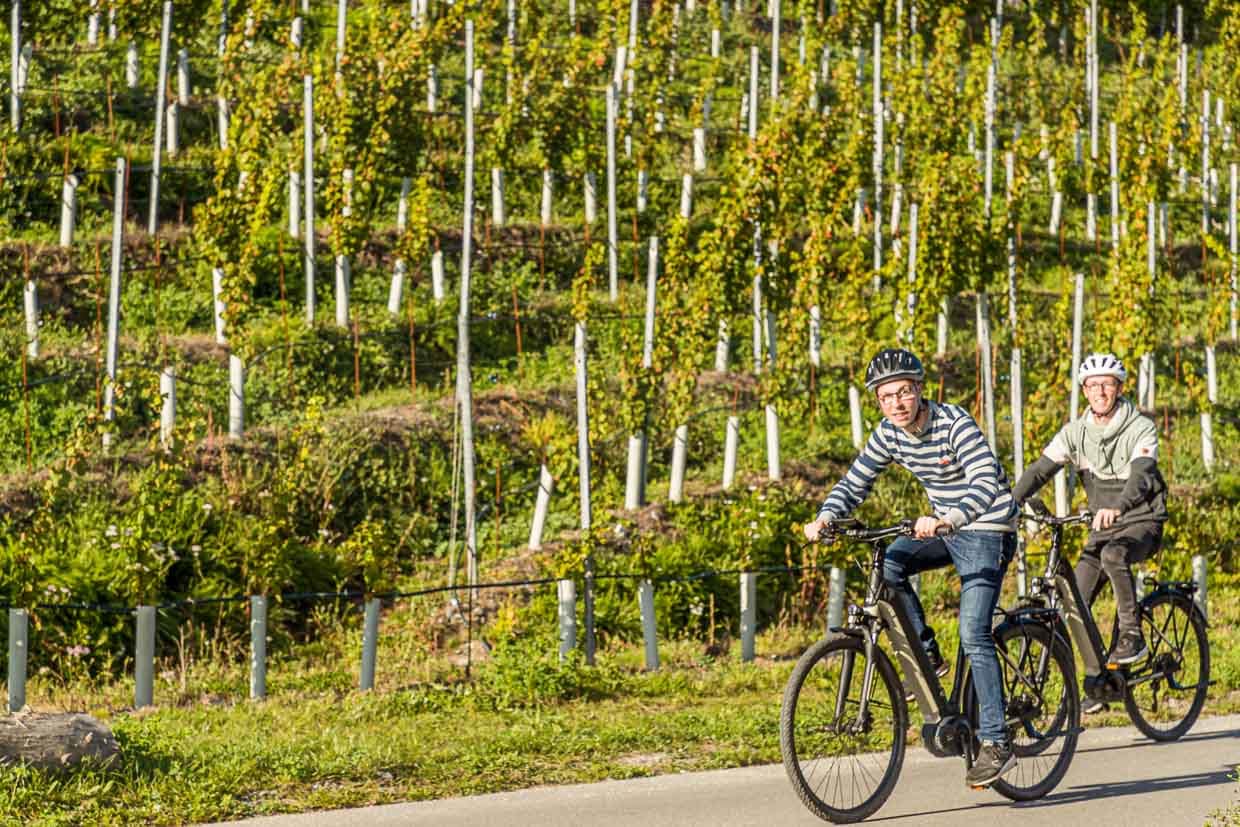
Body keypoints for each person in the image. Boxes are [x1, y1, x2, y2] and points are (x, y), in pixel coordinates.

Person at [803, 347, 1019, 789]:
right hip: (944, 526)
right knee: (891, 565)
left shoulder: (954, 422)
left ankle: (997, 742)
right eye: (886, 397)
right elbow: (855, 481)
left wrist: (950, 519)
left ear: (920, 390)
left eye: (903, 393)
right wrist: (827, 516)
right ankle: (927, 656)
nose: (897, 404)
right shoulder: (889, 434)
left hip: (988, 526)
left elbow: (984, 482)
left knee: (973, 631)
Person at [1011, 353, 1168, 712]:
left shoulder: (1140, 427)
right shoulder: (1075, 432)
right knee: (1073, 600)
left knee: (1115, 556)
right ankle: (1102, 676)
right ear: (1084, 390)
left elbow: (1142, 474)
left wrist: (1118, 507)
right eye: (1092, 384)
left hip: (1141, 519)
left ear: (1119, 388)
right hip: (1103, 525)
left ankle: (1132, 636)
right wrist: (1010, 502)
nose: (1100, 390)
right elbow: (1039, 470)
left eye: (1107, 383)